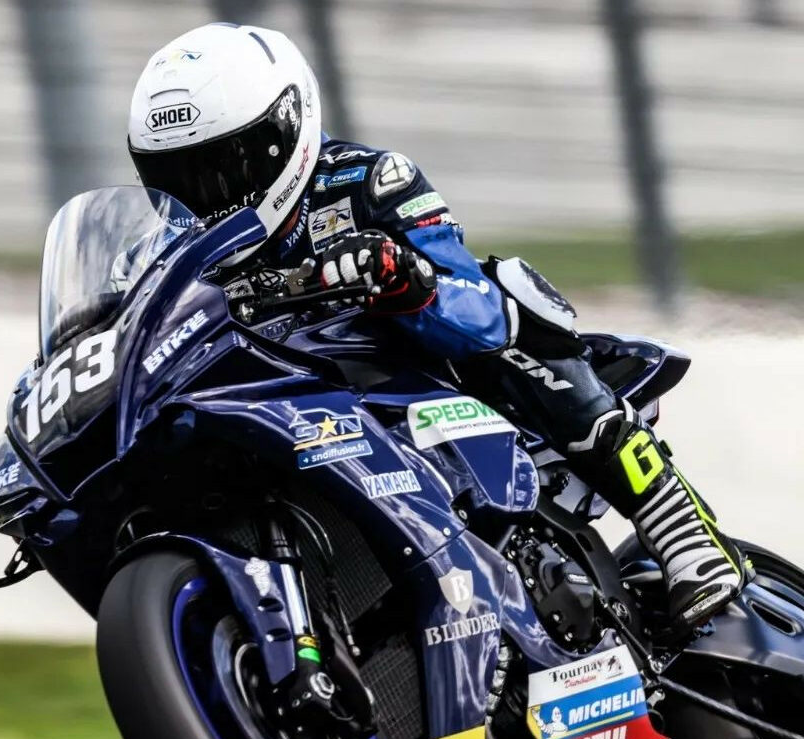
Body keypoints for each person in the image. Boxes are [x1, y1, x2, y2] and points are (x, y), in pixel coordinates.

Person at [126, 23, 747, 630]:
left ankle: (679, 525)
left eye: (219, 169)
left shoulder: (366, 181)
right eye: (177, 181)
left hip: (424, 385)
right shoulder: (163, 257)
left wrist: (403, 279)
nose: (203, 199)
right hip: (296, 417)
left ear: (284, 132)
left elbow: (476, 308)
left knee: (513, 301)